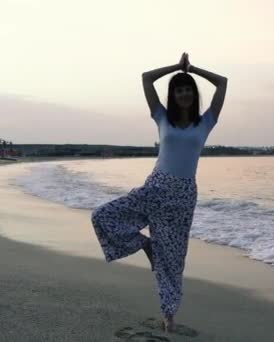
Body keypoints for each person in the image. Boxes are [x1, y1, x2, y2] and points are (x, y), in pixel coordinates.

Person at [90, 52, 227, 333]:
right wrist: (177, 68)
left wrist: (193, 70)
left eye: (188, 89)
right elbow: (146, 78)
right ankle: (145, 245)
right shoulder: (162, 117)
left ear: (193, 94)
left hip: (183, 196)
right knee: (102, 216)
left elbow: (223, 83)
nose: (185, 93)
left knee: (174, 261)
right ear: (173, 94)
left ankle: (169, 315)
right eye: (179, 89)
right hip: (155, 187)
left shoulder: (206, 122)